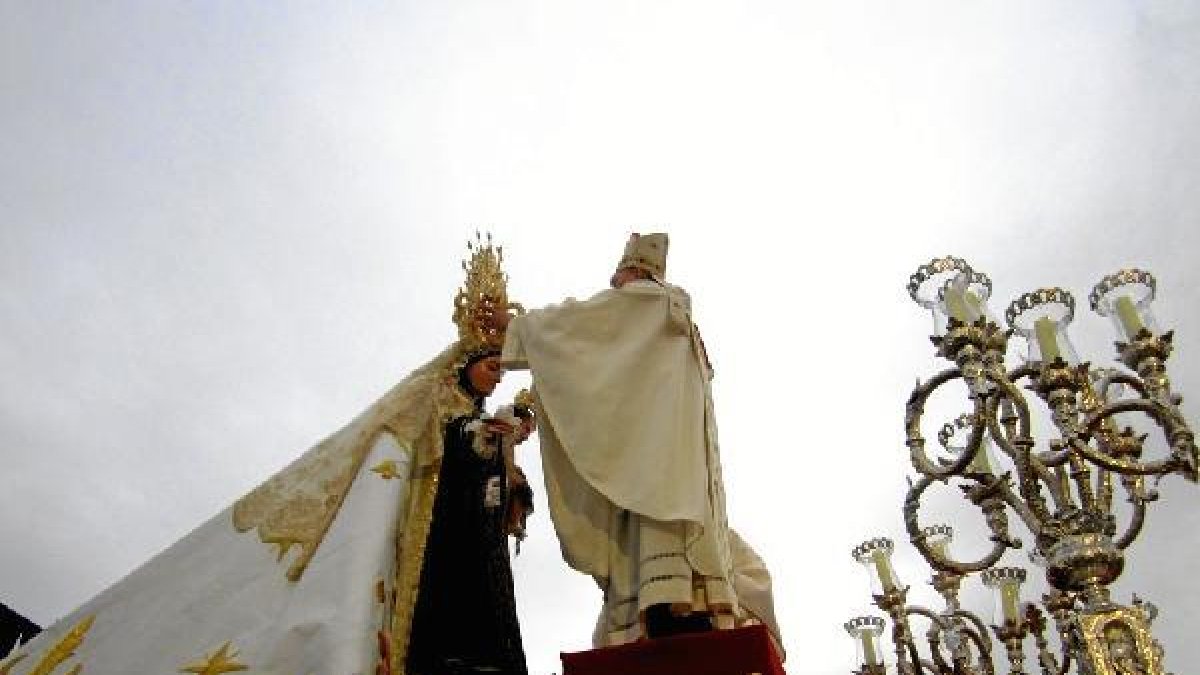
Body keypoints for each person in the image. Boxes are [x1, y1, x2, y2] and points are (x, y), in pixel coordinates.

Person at [3, 237, 534, 675]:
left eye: (498, 368)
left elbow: (473, 468)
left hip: (463, 541)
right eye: (489, 364)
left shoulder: (476, 416)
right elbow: (431, 454)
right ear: (462, 365)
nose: (494, 374)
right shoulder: (429, 402)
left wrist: (507, 468)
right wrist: (484, 436)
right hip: (430, 541)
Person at [486, 233, 782, 650]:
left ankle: (663, 602)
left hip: (655, 468)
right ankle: (685, 599)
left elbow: (578, 327)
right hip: (679, 470)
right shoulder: (680, 317)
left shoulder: (645, 301)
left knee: (652, 540)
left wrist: (515, 326)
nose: (613, 286)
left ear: (634, 271)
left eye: (617, 277)